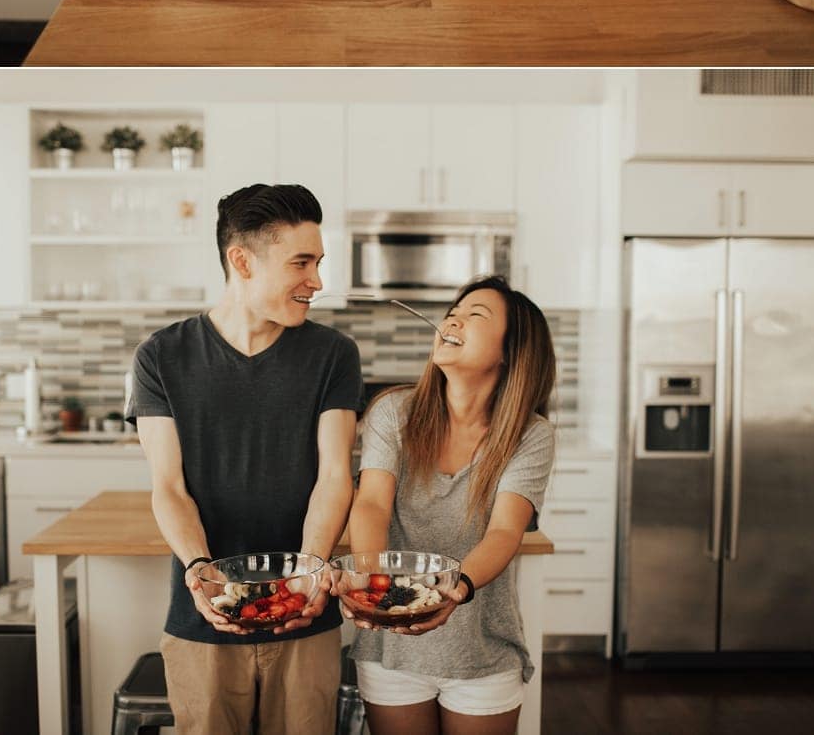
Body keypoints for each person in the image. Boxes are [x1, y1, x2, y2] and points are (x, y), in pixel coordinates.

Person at [128, 182, 362, 735]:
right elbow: (169, 487)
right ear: (243, 261)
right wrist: (200, 570)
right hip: (202, 616)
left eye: (319, 262)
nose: (317, 282)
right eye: (301, 262)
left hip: (307, 615)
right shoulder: (161, 357)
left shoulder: (333, 354)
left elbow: (334, 476)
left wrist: (309, 572)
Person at [346, 276, 555, 734]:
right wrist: (369, 576)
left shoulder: (530, 435)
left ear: (510, 352)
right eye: (453, 311)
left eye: (475, 314)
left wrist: (455, 589)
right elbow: (372, 505)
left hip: (482, 651)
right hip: (392, 653)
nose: (453, 318)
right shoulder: (392, 412)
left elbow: (504, 532)